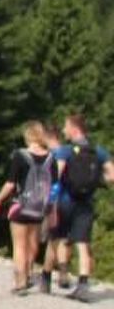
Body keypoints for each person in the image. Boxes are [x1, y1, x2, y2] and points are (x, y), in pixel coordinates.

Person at [0, 121, 57, 296]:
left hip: (20, 206)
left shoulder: (20, 156)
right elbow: (54, 186)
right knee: (32, 244)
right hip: (38, 208)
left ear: (28, 136)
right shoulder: (51, 159)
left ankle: (21, 283)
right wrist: (51, 210)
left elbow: (10, 184)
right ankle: (28, 274)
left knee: (19, 246)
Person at [48, 112, 108, 299]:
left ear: (74, 129)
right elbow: (112, 176)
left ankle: (54, 275)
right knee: (83, 244)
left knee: (58, 238)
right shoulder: (98, 151)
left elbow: (56, 174)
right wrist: (95, 182)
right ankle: (83, 284)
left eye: (66, 126)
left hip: (65, 200)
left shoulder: (64, 151)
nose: (64, 130)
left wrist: (50, 199)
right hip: (86, 203)